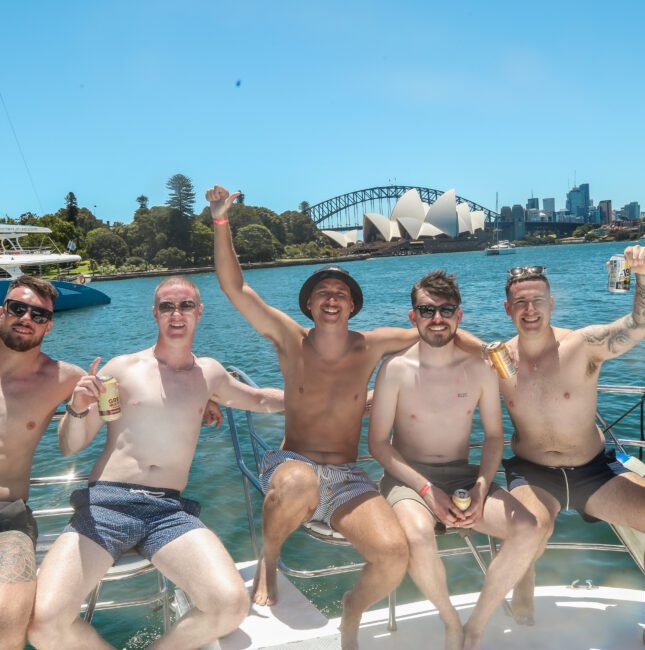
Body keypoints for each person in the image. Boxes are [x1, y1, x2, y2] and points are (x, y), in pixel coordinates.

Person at [209, 183, 438, 650]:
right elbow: (235, 287)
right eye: (322, 293)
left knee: (394, 554)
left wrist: (498, 353)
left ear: (353, 306)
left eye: (341, 293)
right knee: (298, 484)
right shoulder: (289, 338)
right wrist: (220, 220)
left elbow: (437, 332)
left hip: (347, 474)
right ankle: (269, 561)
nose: (332, 298)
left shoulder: (372, 343)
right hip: (292, 464)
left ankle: (354, 607)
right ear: (309, 305)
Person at [29, 276, 284, 650]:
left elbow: (259, 399)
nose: (176, 314)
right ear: (155, 313)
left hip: (166, 511)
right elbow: (70, 446)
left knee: (228, 606)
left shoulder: (208, 373)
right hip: (106, 506)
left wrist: (323, 398)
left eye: (185, 305)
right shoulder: (123, 368)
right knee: (44, 624)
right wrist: (78, 408)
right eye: (167, 306)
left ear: (199, 312)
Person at [368, 270, 542, 650]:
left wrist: (481, 486)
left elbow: (494, 437)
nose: (437, 318)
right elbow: (379, 444)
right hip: (408, 479)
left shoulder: (480, 369)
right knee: (416, 534)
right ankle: (450, 622)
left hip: (464, 476)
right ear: (412, 317)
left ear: (459, 316)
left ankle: (476, 624)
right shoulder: (395, 370)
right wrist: (427, 490)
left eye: (446, 310)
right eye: (427, 310)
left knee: (529, 528)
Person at [497, 245, 645, 644]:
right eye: (520, 302)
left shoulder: (584, 345)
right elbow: (438, 358)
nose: (530, 310)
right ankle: (525, 582)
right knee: (531, 529)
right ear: (507, 308)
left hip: (593, 472)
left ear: (552, 302)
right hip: (533, 472)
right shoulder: (496, 359)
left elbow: (639, 323)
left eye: (538, 301)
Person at [0, 276, 84, 650]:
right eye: (18, 308)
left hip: (7, 517)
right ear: (2, 311)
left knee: (9, 615)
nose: (26, 318)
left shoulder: (63, 377)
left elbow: (131, 392)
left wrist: (210, 392)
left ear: (49, 324)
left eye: (38, 313)